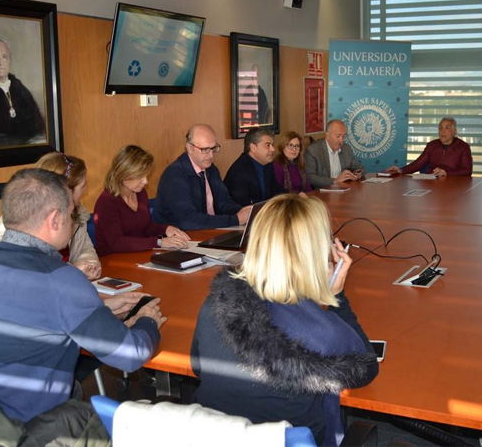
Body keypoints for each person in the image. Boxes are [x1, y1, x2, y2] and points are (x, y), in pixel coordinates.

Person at [0, 168, 165, 445]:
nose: (74, 222)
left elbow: (36, 320)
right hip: (19, 433)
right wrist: (147, 320)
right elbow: (131, 355)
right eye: (71, 214)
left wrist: (102, 316)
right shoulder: (59, 278)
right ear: (55, 220)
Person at [191, 195, 378, 447]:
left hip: (215, 438)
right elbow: (366, 367)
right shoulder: (322, 333)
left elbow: (197, 366)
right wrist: (337, 298)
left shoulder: (216, 304)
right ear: (318, 254)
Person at [0, 152, 101, 280]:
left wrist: (89, 264)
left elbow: (85, 248)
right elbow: (20, 275)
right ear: (66, 190)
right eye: (83, 186)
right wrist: (71, 271)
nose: (85, 190)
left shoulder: (76, 213)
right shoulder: (16, 223)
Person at [94, 145, 189, 257]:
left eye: (146, 175)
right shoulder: (107, 202)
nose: (145, 181)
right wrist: (159, 242)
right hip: (111, 261)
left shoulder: (140, 193)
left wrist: (166, 229)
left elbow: (145, 228)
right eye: (140, 176)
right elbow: (117, 243)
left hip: (138, 256)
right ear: (123, 174)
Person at [153, 124, 252, 230]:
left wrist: (245, 213)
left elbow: (224, 204)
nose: (211, 155)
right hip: (181, 239)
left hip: (208, 232)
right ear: (190, 148)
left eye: (214, 148)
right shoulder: (174, 176)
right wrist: (235, 219)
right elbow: (189, 221)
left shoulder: (210, 169)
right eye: (205, 150)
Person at [386, 117, 472, 177]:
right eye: (440, 128)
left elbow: (467, 171)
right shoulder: (432, 145)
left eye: (447, 128)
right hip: (432, 184)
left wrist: (446, 173)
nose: (442, 131)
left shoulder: (463, 147)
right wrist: (401, 170)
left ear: (454, 131)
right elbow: (418, 164)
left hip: (454, 185)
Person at [224, 127, 283, 205]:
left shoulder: (268, 164)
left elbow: (276, 190)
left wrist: (293, 197)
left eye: (272, 145)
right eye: (267, 145)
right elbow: (243, 204)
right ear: (253, 147)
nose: (273, 149)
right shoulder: (238, 172)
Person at [304, 120, 364, 188]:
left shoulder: (346, 148)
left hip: (343, 190)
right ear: (327, 135)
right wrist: (334, 181)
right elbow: (310, 177)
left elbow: (357, 166)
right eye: (338, 136)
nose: (341, 140)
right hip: (322, 192)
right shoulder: (313, 150)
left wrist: (357, 174)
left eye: (343, 136)